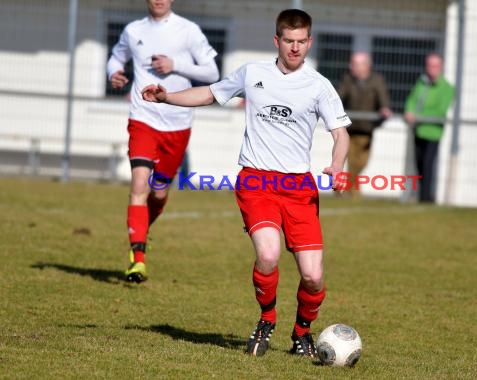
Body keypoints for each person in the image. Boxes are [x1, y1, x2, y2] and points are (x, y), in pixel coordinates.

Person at [142, 9, 351, 358]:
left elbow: (341, 134)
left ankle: (301, 334)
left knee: (313, 276)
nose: (295, 48)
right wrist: (167, 97)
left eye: (301, 42)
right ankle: (267, 319)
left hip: (299, 189)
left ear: (309, 42)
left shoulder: (319, 85)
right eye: (289, 41)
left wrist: (337, 165)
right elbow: (209, 93)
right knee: (267, 254)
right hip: (256, 180)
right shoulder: (253, 73)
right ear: (277, 40)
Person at [106, 0, 219, 283]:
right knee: (139, 185)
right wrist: (113, 74)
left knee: (157, 193)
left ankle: (141, 228)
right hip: (143, 119)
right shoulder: (133, 30)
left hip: (178, 125)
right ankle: (138, 258)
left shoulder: (188, 30)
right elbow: (116, 58)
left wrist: (175, 65)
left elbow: (212, 73)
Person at [337, 52, 392, 198]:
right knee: (350, 160)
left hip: (367, 128)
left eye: (354, 64)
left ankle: (344, 186)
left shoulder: (377, 80)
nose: (351, 67)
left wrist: (385, 108)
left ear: (365, 66)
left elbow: (383, 99)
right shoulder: (348, 79)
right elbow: (338, 97)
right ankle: (353, 191)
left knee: (362, 162)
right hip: (349, 128)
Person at [404, 52, 454, 203]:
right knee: (418, 164)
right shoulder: (421, 83)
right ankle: (421, 196)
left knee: (427, 165)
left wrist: (417, 115)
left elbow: (440, 110)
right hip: (418, 130)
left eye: (435, 65)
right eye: (429, 65)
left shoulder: (447, 88)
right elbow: (412, 100)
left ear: (441, 67)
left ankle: (426, 198)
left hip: (433, 133)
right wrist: (409, 111)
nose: (431, 68)